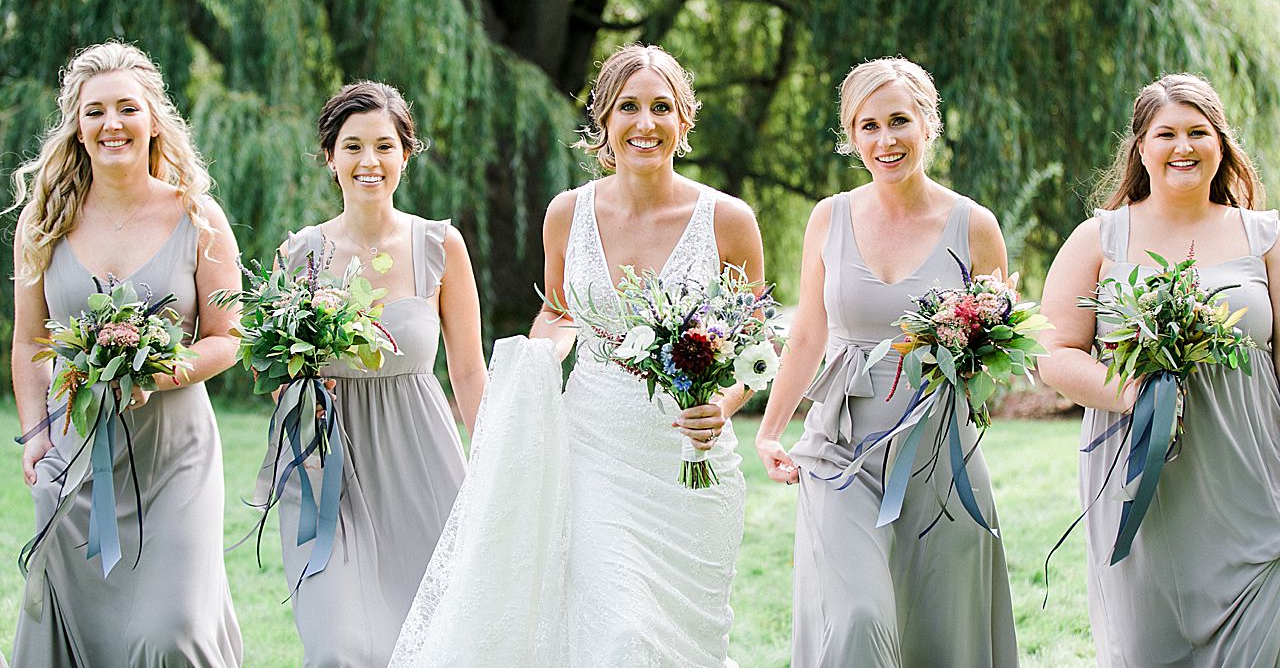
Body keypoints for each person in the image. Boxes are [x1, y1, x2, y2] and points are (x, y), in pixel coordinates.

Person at [393, 43, 765, 667]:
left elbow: (756, 343)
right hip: (593, 446)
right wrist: (540, 356)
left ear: (684, 120)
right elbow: (559, 311)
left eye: (661, 107)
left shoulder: (728, 221)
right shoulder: (568, 214)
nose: (645, 123)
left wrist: (723, 405)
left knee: (689, 645)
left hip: (690, 460)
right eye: (628, 107)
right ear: (604, 121)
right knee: (617, 635)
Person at [755, 57, 1018, 667]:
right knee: (857, 620)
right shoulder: (829, 217)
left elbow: (998, 357)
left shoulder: (974, 226)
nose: (884, 140)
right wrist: (771, 432)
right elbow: (807, 336)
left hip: (937, 453)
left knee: (940, 636)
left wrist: (968, 349)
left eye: (898, 120)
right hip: (839, 451)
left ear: (929, 124)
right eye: (866, 126)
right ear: (851, 137)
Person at [8, 40, 243, 666]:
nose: (112, 124)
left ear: (153, 119)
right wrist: (35, 433)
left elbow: (228, 337)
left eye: (127, 108)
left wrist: (162, 371)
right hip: (74, 456)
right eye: (95, 112)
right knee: (80, 630)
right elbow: (30, 341)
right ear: (77, 128)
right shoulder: (44, 223)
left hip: (175, 459)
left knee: (170, 633)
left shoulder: (200, 218)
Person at [1038, 73, 1280, 665]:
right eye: (1166, 132)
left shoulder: (1265, 236)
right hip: (1140, 481)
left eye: (1199, 132)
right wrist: (1135, 392)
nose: (1183, 146)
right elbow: (1053, 354)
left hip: (1252, 473)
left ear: (1220, 144)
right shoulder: (1099, 238)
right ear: (1140, 147)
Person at [273, 81, 486, 666]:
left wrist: (493, 456)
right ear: (330, 157)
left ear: (406, 155)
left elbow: (467, 370)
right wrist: (296, 389)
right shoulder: (299, 256)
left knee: (434, 640)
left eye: (384, 146)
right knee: (339, 645)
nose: (369, 161)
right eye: (353, 146)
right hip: (322, 465)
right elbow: (275, 369)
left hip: (420, 459)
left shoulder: (440, 245)